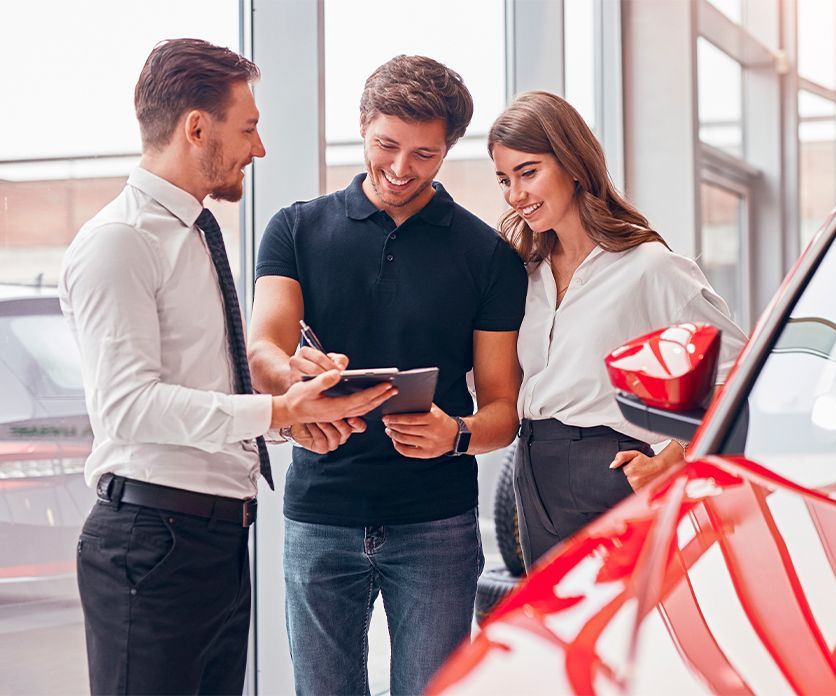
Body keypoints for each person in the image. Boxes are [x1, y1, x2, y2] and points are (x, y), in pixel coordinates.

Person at [59, 38, 394, 695]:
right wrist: (277, 410)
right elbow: (127, 408)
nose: (259, 149)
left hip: (212, 542)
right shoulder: (119, 244)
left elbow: (200, 388)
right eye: (248, 128)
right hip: (151, 546)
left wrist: (292, 412)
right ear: (195, 127)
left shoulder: (193, 236)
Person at [248, 55, 528, 695]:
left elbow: (501, 411)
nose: (401, 169)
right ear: (363, 126)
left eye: (425, 155)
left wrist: (454, 434)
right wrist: (291, 378)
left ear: (449, 149)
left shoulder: (487, 256)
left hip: (436, 525)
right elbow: (264, 344)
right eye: (386, 146)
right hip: (320, 515)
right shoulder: (296, 228)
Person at [488, 91, 747, 569]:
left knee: (625, 634)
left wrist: (674, 456)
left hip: (610, 470)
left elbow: (739, 373)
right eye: (505, 180)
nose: (515, 194)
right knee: (558, 635)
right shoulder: (524, 274)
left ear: (572, 164)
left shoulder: (650, 268)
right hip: (532, 471)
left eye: (528, 173)